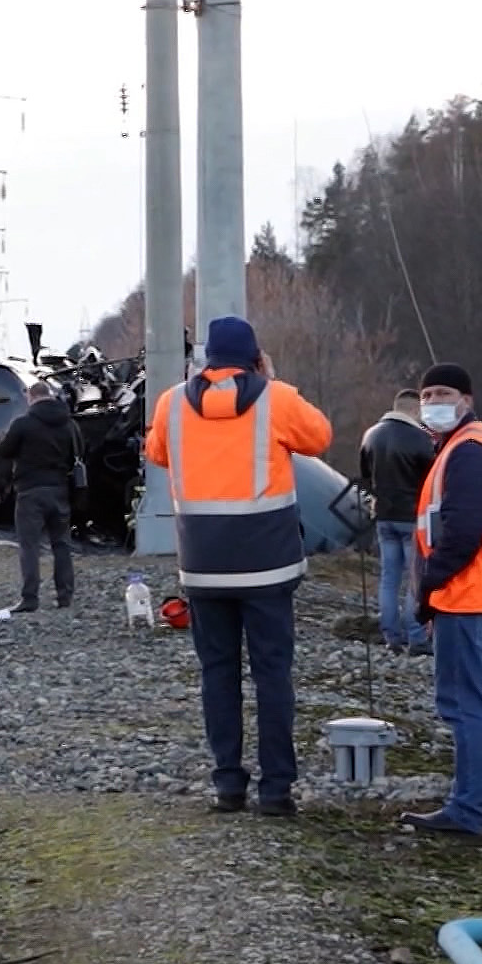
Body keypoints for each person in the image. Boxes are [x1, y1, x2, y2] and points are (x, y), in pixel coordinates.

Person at [143, 316, 333, 816]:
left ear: (205, 361)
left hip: (204, 566)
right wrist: (272, 380)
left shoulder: (172, 404)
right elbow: (319, 439)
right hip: (267, 566)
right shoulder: (276, 399)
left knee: (218, 675)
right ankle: (276, 790)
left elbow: (156, 451)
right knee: (273, 676)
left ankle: (228, 784)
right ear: (256, 357)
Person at [400, 362, 482, 836]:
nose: (433, 402)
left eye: (443, 392)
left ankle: (469, 808)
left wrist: (428, 589)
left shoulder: (469, 452)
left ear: (467, 400)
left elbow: (461, 534)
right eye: (427, 394)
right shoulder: (465, 447)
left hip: (466, 597)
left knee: (464, 704)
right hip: (480, 594)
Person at [360, 389, 436, 655]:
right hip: (413, 517)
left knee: (388, 578)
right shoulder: (422, 440)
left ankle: (391, 635)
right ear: (415, 411)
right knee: (415, 578)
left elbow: (366, 478)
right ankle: (417, 637)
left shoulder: (371, 435)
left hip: (383, 516)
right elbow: (433, 479)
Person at [0, 380, 80, 612]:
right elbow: (79, 452)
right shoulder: (69, 424)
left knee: (29, 546)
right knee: (61, 545)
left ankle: (30, 598)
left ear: (30, 398)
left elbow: (4, 451)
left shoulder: (23, 423)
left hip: (30, 491)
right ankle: (65, 597)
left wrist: (5, 436)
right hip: (60, 489)